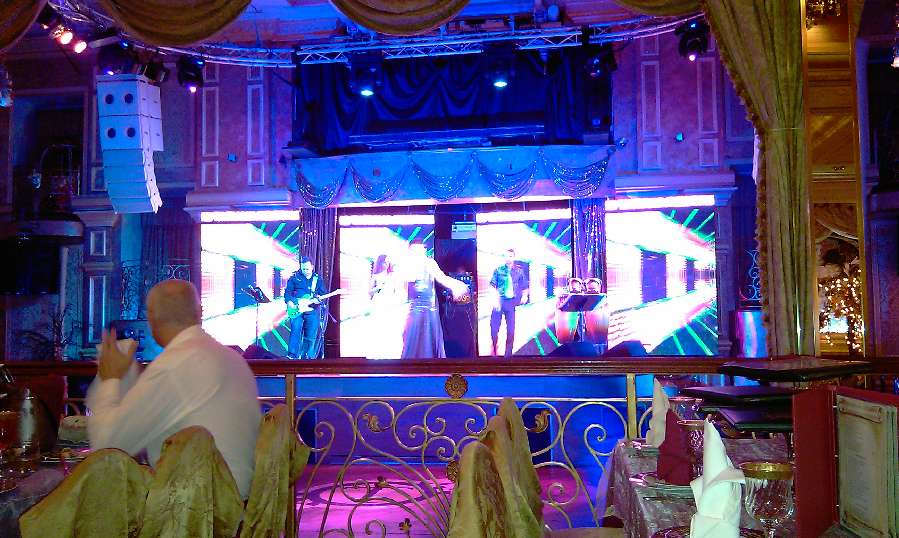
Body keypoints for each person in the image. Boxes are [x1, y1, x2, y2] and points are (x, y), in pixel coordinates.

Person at [86, 280, 261, 498]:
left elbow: (107, 447)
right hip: (237, 501)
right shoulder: (232, 358)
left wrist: (110, 378)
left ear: (151, 318)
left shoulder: (173, 365)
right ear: (199, 313)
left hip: (198, 507)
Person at [401, 241, 469, 359]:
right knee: (412, 337)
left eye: (421, 250)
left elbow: (441, 278)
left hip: (428, 307)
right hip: (415, 307)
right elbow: (407, 288)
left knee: (426, 337)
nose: (418, 252)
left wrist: (458, 286)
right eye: (415, 250)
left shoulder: (429, 263)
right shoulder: (409, 265)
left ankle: (426, 364)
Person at [285, 256, 328, 360]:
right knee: (295, 331)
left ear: (312, 267)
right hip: (297, 309)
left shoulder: (317, 279)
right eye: (303, 269)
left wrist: (319, 300)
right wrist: (290, 302)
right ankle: (292, 356)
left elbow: (323, 294)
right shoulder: (294, 277)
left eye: (307, 269)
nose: (305, 271)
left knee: (311, 335)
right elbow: (287, 293)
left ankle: (307, 357)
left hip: (312, 309)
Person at [489, 249, 529, 357]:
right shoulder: (498, 270)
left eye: (510, 256)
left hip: (511, 302)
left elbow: (525, 286)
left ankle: (508, 355)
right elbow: (492, 286)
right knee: (494, 329)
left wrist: (525, 296)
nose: (508, 258)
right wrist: (495, 299)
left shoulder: (519, 272)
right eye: (506, 256)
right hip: (499, 301)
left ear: (514, 257)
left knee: (511, 330)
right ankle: (494, 348)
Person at [367, 254, 406, 359]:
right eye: (385, 262)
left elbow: (397, 291)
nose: (387, 264)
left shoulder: (392, 276)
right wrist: (378, 288)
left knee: (390, 328)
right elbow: (369, 292)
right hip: (378, 303)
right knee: (379, 327)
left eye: (388, 262)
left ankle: (390, 353)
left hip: (390, 303)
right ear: (380, 263)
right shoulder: (375, 276)